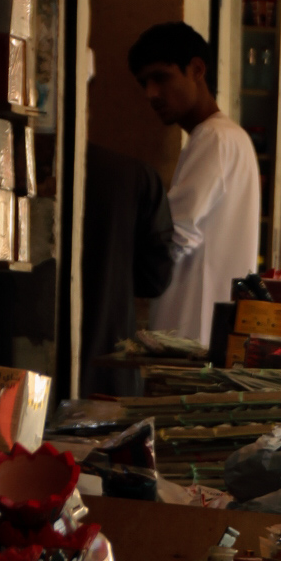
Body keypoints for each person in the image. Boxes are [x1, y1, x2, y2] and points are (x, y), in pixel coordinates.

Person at [129, 22, 260, 346]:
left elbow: (174, 236)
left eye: (161, 77)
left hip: (189, 335)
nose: (150, 94)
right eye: (144, 83)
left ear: (197, 69)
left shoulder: (214, 138)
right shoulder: (228, 137)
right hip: (205, 335)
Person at [80, 145, 175, 396]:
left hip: (13, 369)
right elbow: (155, 278)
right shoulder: (135, 176)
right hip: (104, 369)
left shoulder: (14, 163)